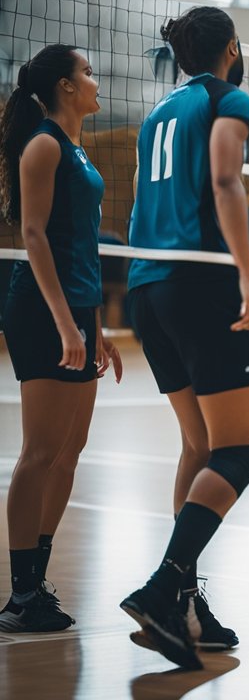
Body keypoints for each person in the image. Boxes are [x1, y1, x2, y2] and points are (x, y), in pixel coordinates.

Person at [120, 6, 249, 670]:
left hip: (147, 286)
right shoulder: (228, 98)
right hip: (201, 282)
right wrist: (248, 279)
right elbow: (227, 180)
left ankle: (182, 601)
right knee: (238, 455)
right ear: (231, 48)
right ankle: (162, 586)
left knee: (199, 445)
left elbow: (132, 201)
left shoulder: (157, 114)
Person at [0, 44, 121, 632]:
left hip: (78, 309)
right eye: (88, 73)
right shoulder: (44, 144)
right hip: (42, 310)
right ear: (66, 88)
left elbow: (82, 249)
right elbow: (34, 235)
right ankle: (19, 595)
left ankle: (35, 585)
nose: (96, 81)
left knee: (70, 453)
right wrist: (65, 322)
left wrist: (97, 327)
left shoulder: (76, 148)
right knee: (40, 453)